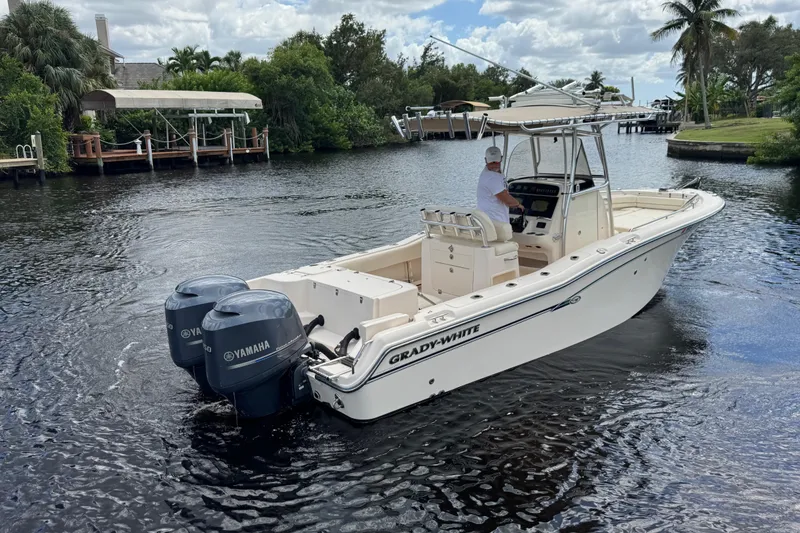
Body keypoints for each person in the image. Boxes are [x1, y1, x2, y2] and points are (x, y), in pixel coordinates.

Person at [477, 146, 524, 227]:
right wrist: (519, 205)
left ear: (501, 159)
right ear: (485, 160)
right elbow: (507, 199)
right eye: (491, 163)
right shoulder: (491, 178)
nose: (494, 165)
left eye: (496, 162)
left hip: (493, 218)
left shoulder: (495, 172)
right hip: (494, 221)